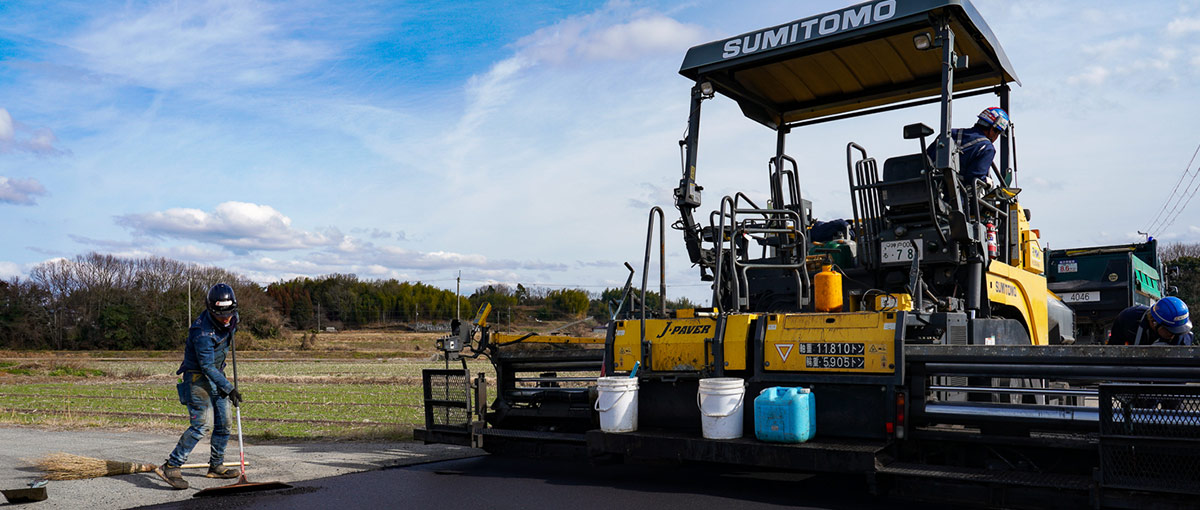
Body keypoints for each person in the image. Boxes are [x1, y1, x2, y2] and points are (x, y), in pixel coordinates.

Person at [154, 283, 245, 490]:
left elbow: (232, 323)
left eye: (229, 313)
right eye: (222, 315)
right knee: (202, 425)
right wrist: (229, 388)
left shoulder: (232, 317)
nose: (226, 318)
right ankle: (171, 466)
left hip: (217, 374)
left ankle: (216, 466)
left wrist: (232, 326)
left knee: (224, 423)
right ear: (211, 310)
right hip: (197, 378)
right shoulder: (202, 333)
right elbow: (207, 367)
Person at [926, 106, 1011, 183]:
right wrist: (986, 181)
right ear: (993, 130)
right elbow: (975, 178)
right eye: (998, 133)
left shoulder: (949, 134)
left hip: (927, 186)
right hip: (952, 193)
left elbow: (926, 158)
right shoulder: (987, 148)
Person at [1107, 296, 1194, 346]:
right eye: (1169, 331)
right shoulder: (1128, 319)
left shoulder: (1182, 336)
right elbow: (1114, 350)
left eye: (1177, 331)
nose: (1173, 335)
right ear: (1154, 322)